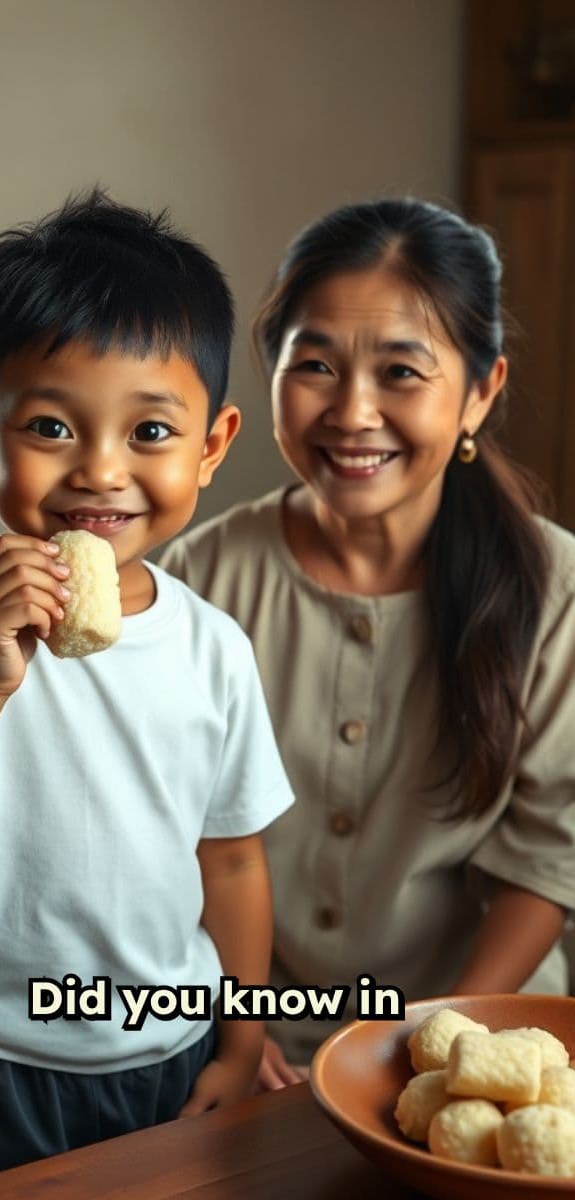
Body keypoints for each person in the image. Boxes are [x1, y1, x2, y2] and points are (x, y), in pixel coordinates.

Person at [0, 190, 293, 1200]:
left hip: (167, 1054)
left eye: (150, 430)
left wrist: (241, 1039)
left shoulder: (212, 647)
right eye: (51, 424)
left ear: (212, 446)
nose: (102, 469)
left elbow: (230, 863)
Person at [161, 198, 575, 1089]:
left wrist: (431, 1046)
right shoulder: (197, 576)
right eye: (314, 364)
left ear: (480, 393)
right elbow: (154, 835)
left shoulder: (556, 587)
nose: (352, 412)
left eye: (400, 372)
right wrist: (236, 1030)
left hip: (467, 1042)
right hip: (245, 1044)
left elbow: (548, 861)